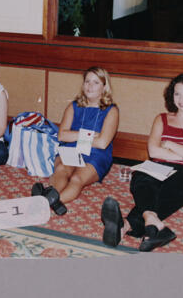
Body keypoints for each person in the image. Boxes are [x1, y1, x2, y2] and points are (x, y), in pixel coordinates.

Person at [101, 73, 183, 252]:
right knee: (141, 176)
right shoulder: (161, 119)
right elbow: (154, 151)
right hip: (159, 166)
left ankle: (126, 226)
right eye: (177, 94)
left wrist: (169, 145)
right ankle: (152, 228)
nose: (181, 99)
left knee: (166, 192)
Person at [32, 67, 119, 212]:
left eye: (96, 82)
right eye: (87, 81)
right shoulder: (74, 106)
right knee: (60, 170)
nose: (90, 86)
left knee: (76, 179)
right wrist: (91, 134)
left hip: (96, 154)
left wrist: (76, 134)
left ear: (104, 87)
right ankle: (53, 202)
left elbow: (102, 143)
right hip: (71, 149)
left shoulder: (112, 110)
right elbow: (62, 135)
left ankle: (45, 202)